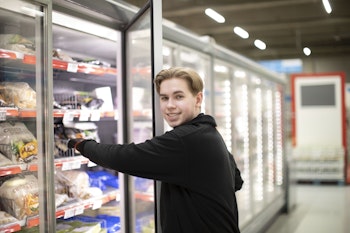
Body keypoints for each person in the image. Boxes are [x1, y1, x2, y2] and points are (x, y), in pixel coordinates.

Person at [68, 67, 244, 233]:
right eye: (164, 98)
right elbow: (236, 180)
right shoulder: (207, 132)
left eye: (179, 97)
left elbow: (125, 157)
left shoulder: (186, 139)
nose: (170, 105)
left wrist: (82, 144)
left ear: (198, 99)